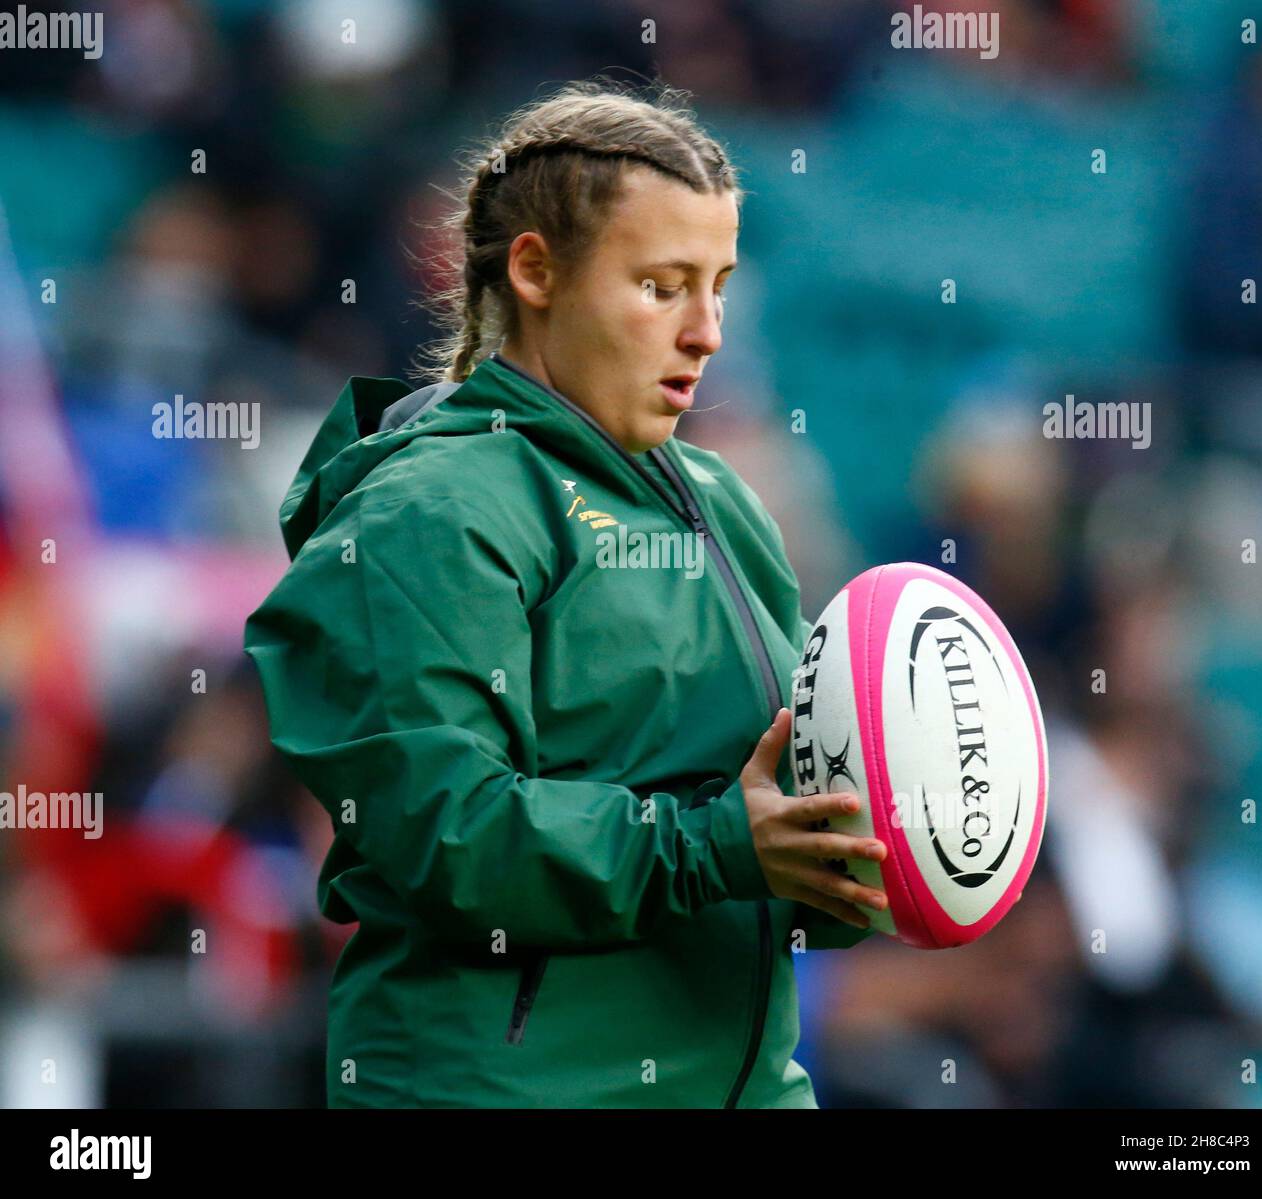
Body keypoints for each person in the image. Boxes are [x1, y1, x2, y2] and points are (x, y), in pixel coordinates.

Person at [243, 78, 888, 1109]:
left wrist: (863, 857)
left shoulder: (725, 503)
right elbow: (449, 831)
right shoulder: (428, 509)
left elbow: (784, 812)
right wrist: (716, 846)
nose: (707, 331)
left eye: (720, 284)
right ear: (536, 270)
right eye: (663, 284)